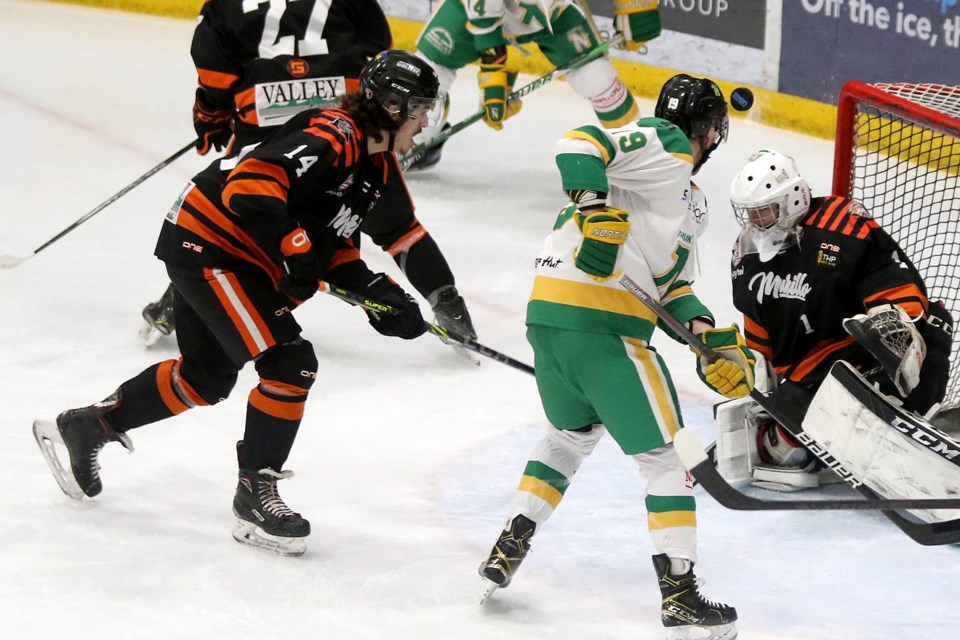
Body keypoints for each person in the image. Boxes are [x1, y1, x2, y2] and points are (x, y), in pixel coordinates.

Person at [33, 51, 441, 557]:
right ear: (394, 106)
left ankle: (89, 425)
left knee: (204, 379)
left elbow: (332, 246)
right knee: (290, 364)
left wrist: (378, 295)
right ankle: (255, 496)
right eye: (421, 109)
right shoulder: (335, 132)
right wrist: (293, 250)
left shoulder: (373, 167)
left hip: (222, 249)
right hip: (211, 247)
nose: (426, 122)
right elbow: (252, 185)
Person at [477, 74, 750, 640]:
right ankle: (679, 597)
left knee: (569, 437)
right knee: (669, 462)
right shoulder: (666, 145)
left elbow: (671, 287)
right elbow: (578, 142)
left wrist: (707, 338)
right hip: (605, 328)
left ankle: (511, 542)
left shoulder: (688, 203)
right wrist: (594, 207)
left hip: (550, 319)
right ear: (710, 132)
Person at [141, 0, 476, 347]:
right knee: (396, 226)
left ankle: (179, 301)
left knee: (244, 213)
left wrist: (212, 114)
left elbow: (214, 65)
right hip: (347, 110)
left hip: (265, 115)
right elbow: (379, 51)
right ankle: (449, 305)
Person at [726, 149, 954, 473]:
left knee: (935, 322)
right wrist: (753, 372)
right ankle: (814, 434)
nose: (755, 221)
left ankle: (914, 424)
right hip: (806, 371)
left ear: (791, 199)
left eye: (764, 210)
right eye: (750, 212)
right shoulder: (745, 255)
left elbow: (885, 274)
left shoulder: (839, 224)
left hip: (856, 348)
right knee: (777, 448)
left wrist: (897, 322)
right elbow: (757, 326)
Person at [409, 0, 661, 169]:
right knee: (426, 75)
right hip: (472, 13)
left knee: (598, 79)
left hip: (556, 14)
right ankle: (413, 138)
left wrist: (637, 5)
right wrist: (493, 79)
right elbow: (484, 18)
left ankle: (639, 158)